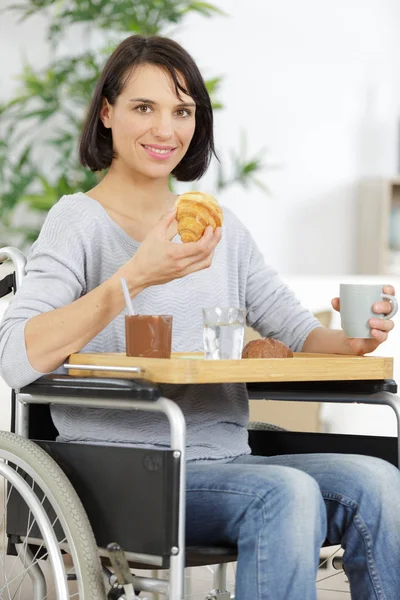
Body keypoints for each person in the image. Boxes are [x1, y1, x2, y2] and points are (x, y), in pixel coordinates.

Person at [0, 34, 399, 600]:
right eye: (144, 108)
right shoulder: (78, 223)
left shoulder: (218, 226)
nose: (166, 130)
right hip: (127, 475)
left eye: (182, 111)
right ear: (107, 114)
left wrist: (353, 342)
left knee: (379, 482)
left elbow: (297, 330)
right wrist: (135, 276)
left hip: (230, 461)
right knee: (285, 494)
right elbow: (18, 357)